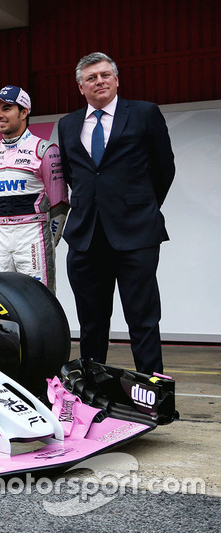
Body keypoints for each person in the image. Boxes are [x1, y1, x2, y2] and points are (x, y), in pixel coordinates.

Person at [57, 52, 175, 374]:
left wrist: (139, 207)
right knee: (91, 322)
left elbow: (164, 169)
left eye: (105, 75)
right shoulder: (67, 124)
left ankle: (152, 390)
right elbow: (73, 175)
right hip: (85, 237)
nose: (100, 82)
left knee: (143, 319)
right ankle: (93, 391)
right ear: (81, 87)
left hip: (136, 234)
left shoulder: (144, 113)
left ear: (117, 79)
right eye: (91, 78)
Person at [0, 85, 69, 292]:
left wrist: (50, 242)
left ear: (24, 112)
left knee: (39, 299)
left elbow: (60, 204)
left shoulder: (45, 150)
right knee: (1, 296)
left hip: (33, 235)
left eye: (7, 108)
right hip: (1, 236)